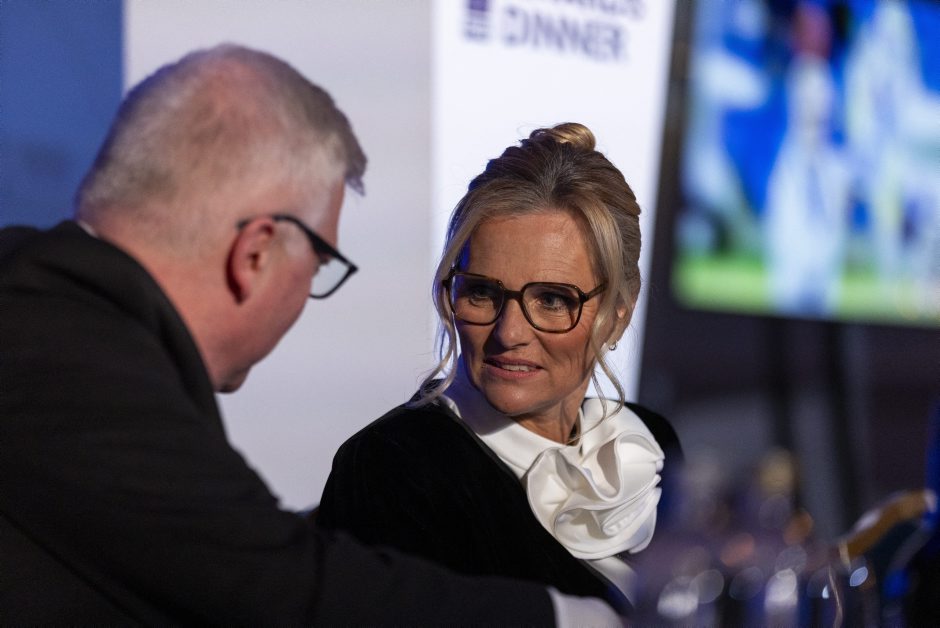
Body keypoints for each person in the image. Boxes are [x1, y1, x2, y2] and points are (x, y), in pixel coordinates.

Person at [0, 45, 621, 625]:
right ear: (256, 253)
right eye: (320, 263)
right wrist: (576, 619)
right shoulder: (68, 357)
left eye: (553, 299)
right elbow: (267, 584)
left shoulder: (46, 310)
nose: (512, 330)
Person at [316, 123, 683, 612]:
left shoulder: (650, 446)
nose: (509, 333)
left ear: (619, 313)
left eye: (552, 299)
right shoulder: (393, 469)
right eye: (482, 292)